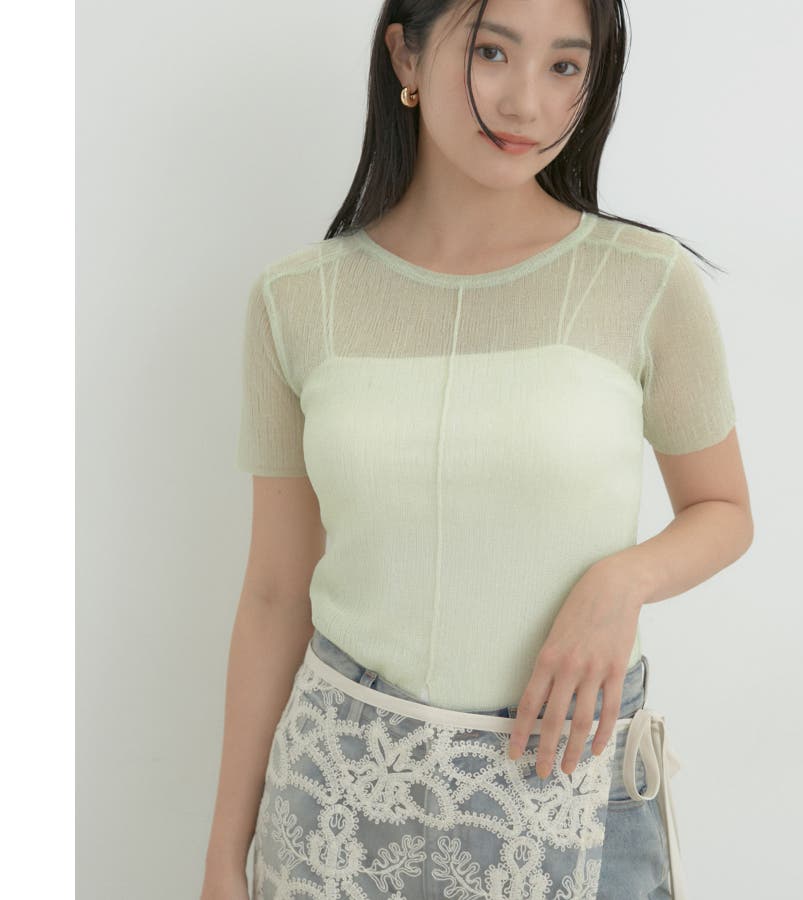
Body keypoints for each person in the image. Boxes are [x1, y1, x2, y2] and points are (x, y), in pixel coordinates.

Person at [201, 1, 754, 898]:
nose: (526, 102)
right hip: (338, 792)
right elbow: (273, 592)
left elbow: (723, 509)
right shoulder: (295, 301)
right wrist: (225, 857)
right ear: (405, 58)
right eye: (492, 52)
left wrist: (622, 582)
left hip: (572, 785)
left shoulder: (645, 282)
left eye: (565, 66)